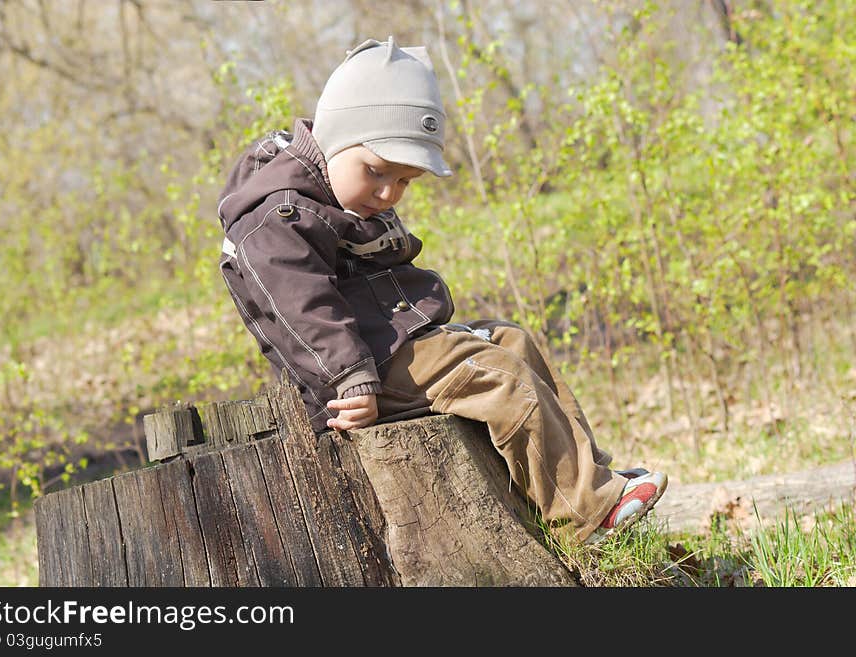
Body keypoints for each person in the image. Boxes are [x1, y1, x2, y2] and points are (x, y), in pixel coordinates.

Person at [216, 36, 666, 544]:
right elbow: (301, 309)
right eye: (377, 172)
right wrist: (350, 379)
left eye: (405, 180)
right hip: (362, 370)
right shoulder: (278, 216)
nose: (388, 193)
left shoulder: (335, 195)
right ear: (334, 140)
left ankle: (591, 478)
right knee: (499, 377)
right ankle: (584, 518)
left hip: (396, 343)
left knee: (513, 341)